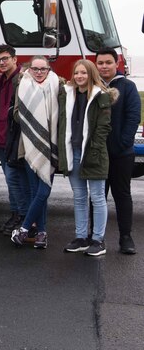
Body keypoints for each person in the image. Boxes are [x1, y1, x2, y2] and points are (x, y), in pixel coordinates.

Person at [57, 59, 114, 257]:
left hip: (93, 152)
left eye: (84, 73)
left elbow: (103, 128)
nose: (79, 76)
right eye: (76, 73)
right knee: (79, 197)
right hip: (73, 151)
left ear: (91, 74)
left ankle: (98, 240)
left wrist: (95, 151)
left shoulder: (101, 96)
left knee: (97, 197)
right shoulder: (68, 94)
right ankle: (81, 237)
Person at [11, 56, 60, 249]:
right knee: (35, 192)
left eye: (43, 69)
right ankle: (41, 234)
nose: (39, 72)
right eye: (35, 69)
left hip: (50, 145)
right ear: (29, 70)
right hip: (29, 146)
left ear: (49, 69)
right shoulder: (22, 86)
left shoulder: (57, 85)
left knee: (44, 190)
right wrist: (33, 115)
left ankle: (24, 229)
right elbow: (16, 114)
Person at [95, 48, 140, 255]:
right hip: (96, 153)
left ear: (116, 64)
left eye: (108, 62)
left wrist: (122, 143)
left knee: (122, 195)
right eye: (100, 63)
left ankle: (125, 237)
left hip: (121, 153)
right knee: (97, 196)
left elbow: (133, 117)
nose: (104, 66)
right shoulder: (92, 86)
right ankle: (95, 236)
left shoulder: (128, 87)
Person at [0, 44, 29, 236]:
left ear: (15, 59)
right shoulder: (1, 80)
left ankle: (23, 217)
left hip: (14, 139)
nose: (2, 62)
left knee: (16, 180)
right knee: (10, 180)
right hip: (1, 138)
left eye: (5, 58)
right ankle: (15, 215)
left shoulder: (22, 79)